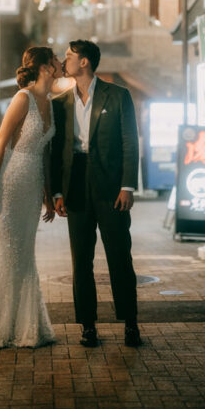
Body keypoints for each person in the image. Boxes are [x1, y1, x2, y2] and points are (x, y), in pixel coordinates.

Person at [0, 46, 63, 349]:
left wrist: (48, 193)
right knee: (6, 253)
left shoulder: (50, 101)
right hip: (10, 181)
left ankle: (25, 326)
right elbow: (1, 139)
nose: (60, 63)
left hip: (33, 185)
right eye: (56, 60)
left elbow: (46, 154)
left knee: (24, 253)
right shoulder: (23, 98)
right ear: (45, 67)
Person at [51, 39, 141, 348]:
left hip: (111, 186)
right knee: (81, 261)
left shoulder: (118, 96)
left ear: (85, 62)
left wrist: (127, 186)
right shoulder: (60, 102)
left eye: (69, 56)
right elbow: (56, 151)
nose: (65, 60)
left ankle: (131, 323)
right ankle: (87, 326)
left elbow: (131, 141)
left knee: (119, 256)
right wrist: (56, 193)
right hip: (75, 184)